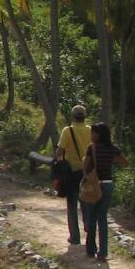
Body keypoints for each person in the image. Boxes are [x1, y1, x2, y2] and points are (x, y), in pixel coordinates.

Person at [81, 122, 126, 261]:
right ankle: (103, 252)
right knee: (102, 218)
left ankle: (91, 249)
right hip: (108, 185)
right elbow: (124, 162)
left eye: (93, 132)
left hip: (94, 186)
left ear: (98, 134)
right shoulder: (113, 148)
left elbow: (85, 165)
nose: (91, 135)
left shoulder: (92, 148)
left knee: (91, 217)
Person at [54, 105, 92, 245]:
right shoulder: (90, 131)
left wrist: (58, 163)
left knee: (72, 204)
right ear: (85, 116)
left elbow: (59, 152)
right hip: (87, 173)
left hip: (72, 173)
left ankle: (75, 236)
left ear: (73, 116)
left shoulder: (67, 131)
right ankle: (89, 229)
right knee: (86, 202)